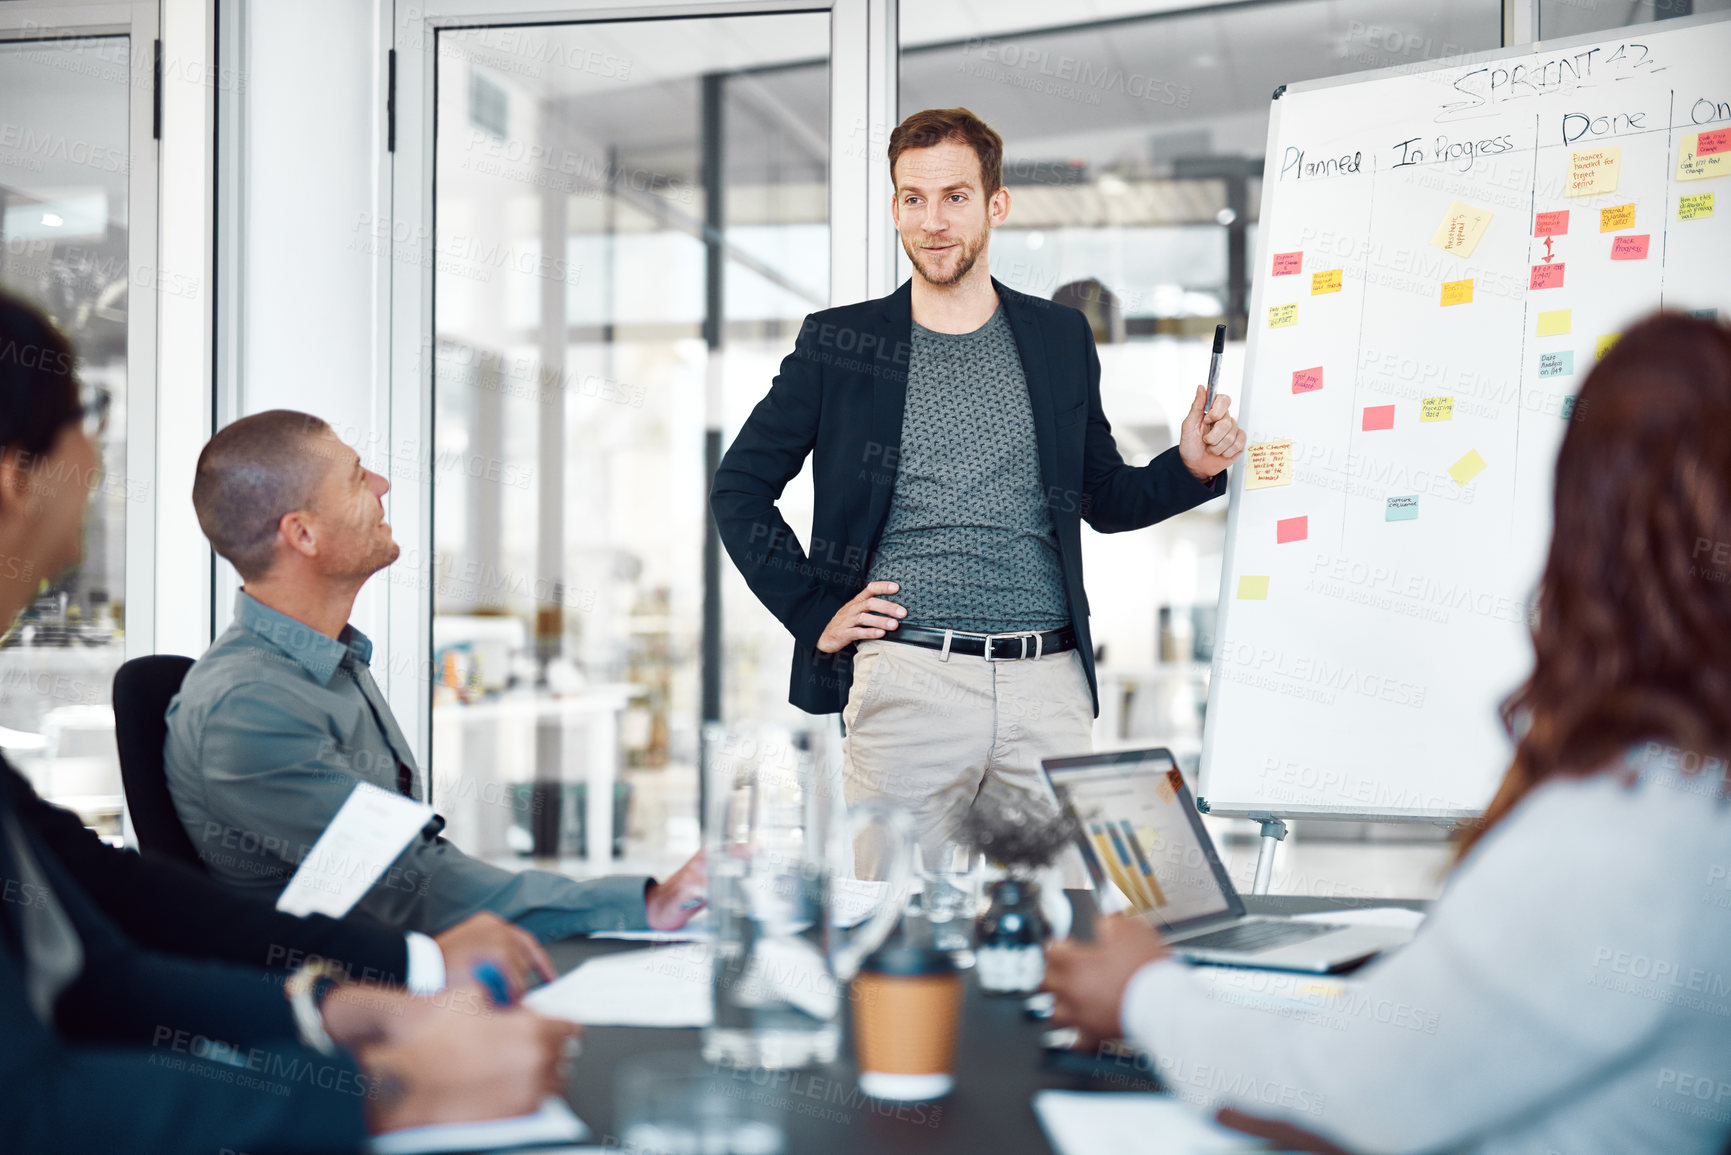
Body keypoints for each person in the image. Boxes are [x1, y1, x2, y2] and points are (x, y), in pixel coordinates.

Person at [1042, 313, 1731, 1155]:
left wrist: (1142, 992)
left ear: (1591, 529)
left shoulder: (1619, 837)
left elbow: (1324, 1095)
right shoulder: (1690, 797)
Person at [0, 290, 579, 1151]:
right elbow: (28, 1105)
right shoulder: (247, 699)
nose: (98, 462)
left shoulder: (337, 663)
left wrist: (358, 1001)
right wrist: (389, 1090)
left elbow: (106, 950)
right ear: (16, 483)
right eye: (85, 417)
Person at [710, 108, 1246, 872]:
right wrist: (812, 610)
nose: (931, 221)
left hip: (1048, 686)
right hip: (908, 681)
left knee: (1065, 933)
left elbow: (1102, 495)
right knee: (893, 939)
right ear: (895, 204)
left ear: (996, 205)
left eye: (954, 197)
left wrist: (1188, 466)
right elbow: (739, 486)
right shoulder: (839, 344)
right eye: (912, 199)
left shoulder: (1059, 337)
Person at [165, 409, 707, 940]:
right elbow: (410, 884)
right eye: (357, 478)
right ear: (303, 534)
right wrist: (642, 904)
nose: (382, 484)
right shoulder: (249, 705)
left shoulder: (326, 663)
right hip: (339, 998)